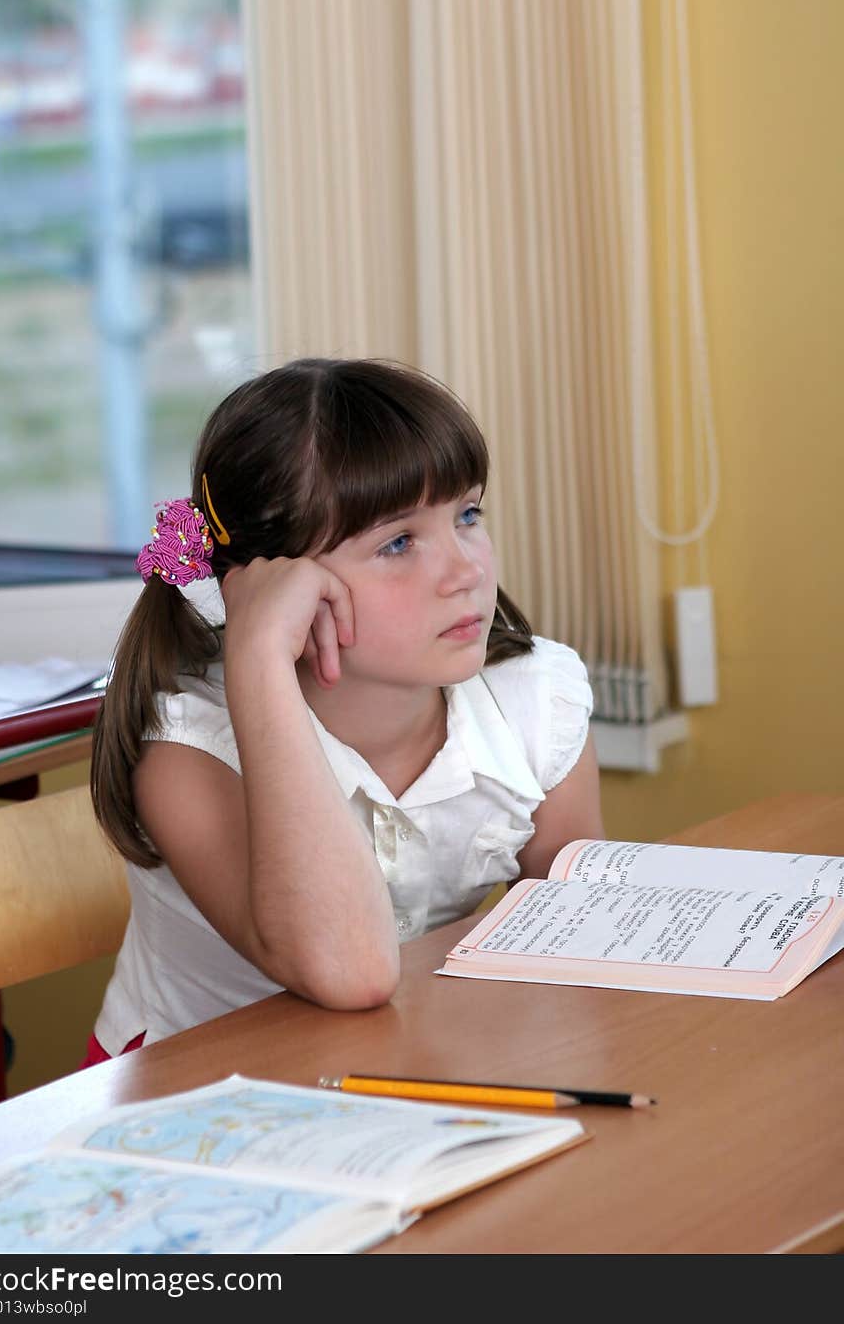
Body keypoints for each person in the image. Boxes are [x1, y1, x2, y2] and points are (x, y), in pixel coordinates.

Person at [86, 356, 604, 1062]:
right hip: (195, 1097)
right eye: (398, 542)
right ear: (274, 583)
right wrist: (259, 657)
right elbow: (349, 971)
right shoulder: (188, 748)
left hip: (402, 1059)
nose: (468, 569)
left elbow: (571, 937)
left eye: (468, 514)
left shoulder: (536, 698)